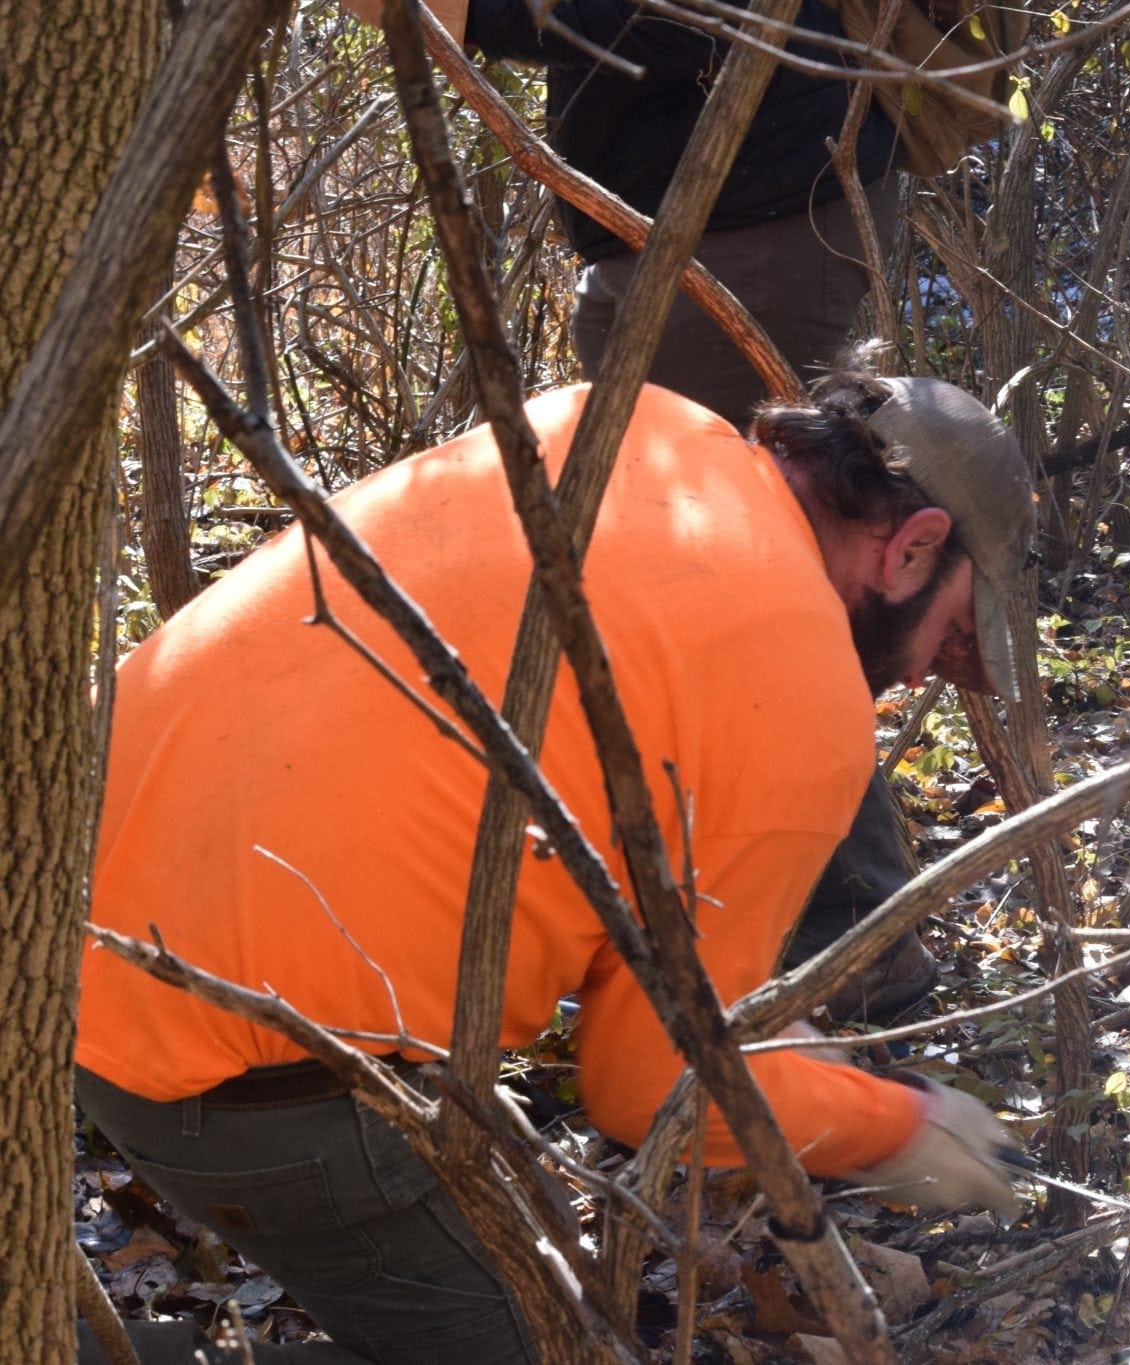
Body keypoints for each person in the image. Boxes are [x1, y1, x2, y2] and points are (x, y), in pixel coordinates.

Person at [76, 369, 1033, 1363]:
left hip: (62, 892)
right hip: (234, 1059)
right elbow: (660, 1088)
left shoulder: (621, 418)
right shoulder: (804, 697)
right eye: (951, 637)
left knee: (541, 1260)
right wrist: (903, 1129)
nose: (925, 674)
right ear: (913, 547)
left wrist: (766, 1030)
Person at [346, 0, 952, 1014]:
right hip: (705, 217)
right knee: (716, 577)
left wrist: (463, 9)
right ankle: (811, 923)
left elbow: (683, 22)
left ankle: (854, 935)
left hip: (752, 218)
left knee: (739, 583)